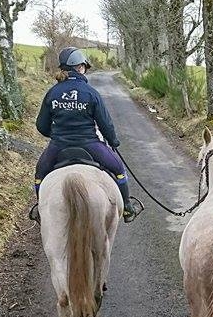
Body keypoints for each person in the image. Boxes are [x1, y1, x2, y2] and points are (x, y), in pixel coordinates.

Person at [31, 47, 142, 222]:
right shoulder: (91, 93)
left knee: (40, 174)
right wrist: (113, 141)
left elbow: (41, 126)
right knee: (119, 169)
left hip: (59, 145)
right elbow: (106, 124)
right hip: (90, 144)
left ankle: (40, 210)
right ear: (80, 67)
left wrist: (57, 134)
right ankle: (127, 207)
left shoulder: (52, 92)